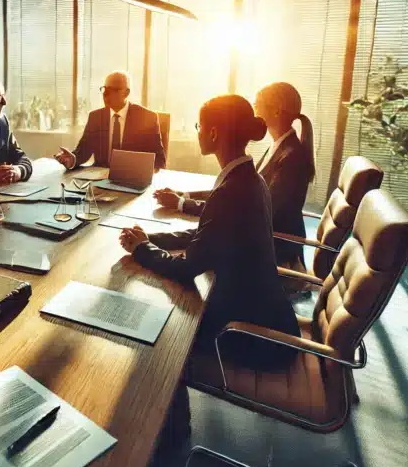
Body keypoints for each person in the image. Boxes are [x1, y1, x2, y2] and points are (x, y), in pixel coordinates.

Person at [119, 95, 300, 367]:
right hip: (268, 316)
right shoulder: (250, 178)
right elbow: (204, 235)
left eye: (199, 126)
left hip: (251, 336)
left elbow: (186, 268)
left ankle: (170, 404)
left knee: (155, 335)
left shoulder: (232, 191)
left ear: (214, 133)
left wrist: (142, 250)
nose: (198, 132)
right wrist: (149, 239)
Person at [153, 82, 314, 270]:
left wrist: (182, 205)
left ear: (276, 112)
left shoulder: (292, 157)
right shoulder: (278, 148)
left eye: (256, 106)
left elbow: (240, 204)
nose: (252, 115)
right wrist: (186, 196)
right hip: (254, 240)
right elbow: (232, 192)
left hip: (273, 250)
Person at [54, 71, 166, 171]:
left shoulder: (147, 117)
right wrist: (72, 160)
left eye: (113, 90)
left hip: (132, 179)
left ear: (126, 93)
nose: (105, 94)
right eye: (105, 89)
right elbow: (83, 151)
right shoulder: (95, 117)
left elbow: (159, 161)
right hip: (99, 179)